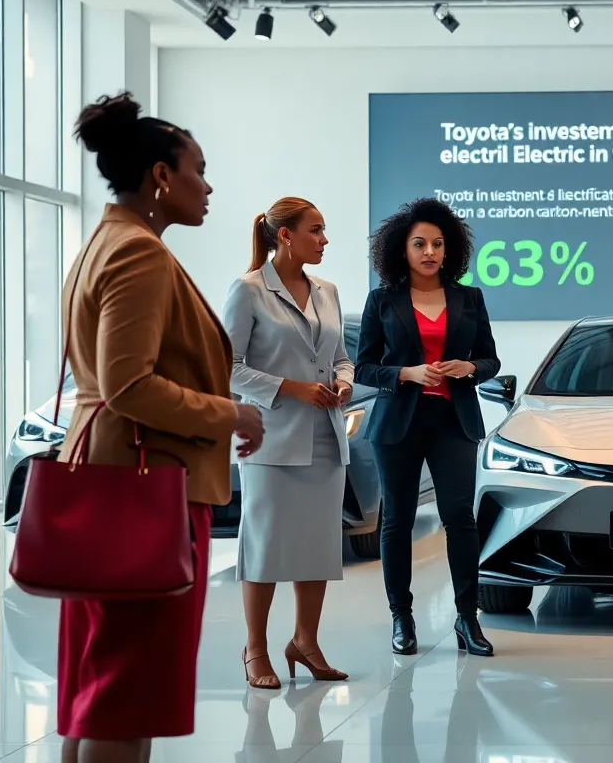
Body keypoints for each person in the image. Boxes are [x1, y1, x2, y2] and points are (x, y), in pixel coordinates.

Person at [58, 91, 265, 763]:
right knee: (128, 693)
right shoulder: (140, 253)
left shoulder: (106, 240)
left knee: (99, 691)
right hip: (146, 497)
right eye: (198, 169)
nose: (208, 186)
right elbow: (128, 385)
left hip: (108, 487)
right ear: (160, 176)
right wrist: (228, 412)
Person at [355, 197, 501, 658]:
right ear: (402, 249)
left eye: (437, 244)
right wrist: (406, 373)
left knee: (459, 518)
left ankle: (466, 618)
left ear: (449, 249)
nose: (429, 252)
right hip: (398, 422)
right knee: (396, 522)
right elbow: (363, 368)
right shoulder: (382, 300)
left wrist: (469, 367)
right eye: (419, 243)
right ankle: (402, 617)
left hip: (454, 421)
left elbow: (491, 360)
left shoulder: (469, 297)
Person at [222, 197, 354, 689]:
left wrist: (343, 383)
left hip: (325, 437)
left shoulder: (328, 290)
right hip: (272, 441)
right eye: (316, 231)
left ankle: (306, 642)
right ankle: (255, 648)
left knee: (317, 547)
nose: (324, 240)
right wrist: (291, 388)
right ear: (284, 235)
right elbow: (228, 367)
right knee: (265, 546)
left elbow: (341, 356)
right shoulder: (248, 289)